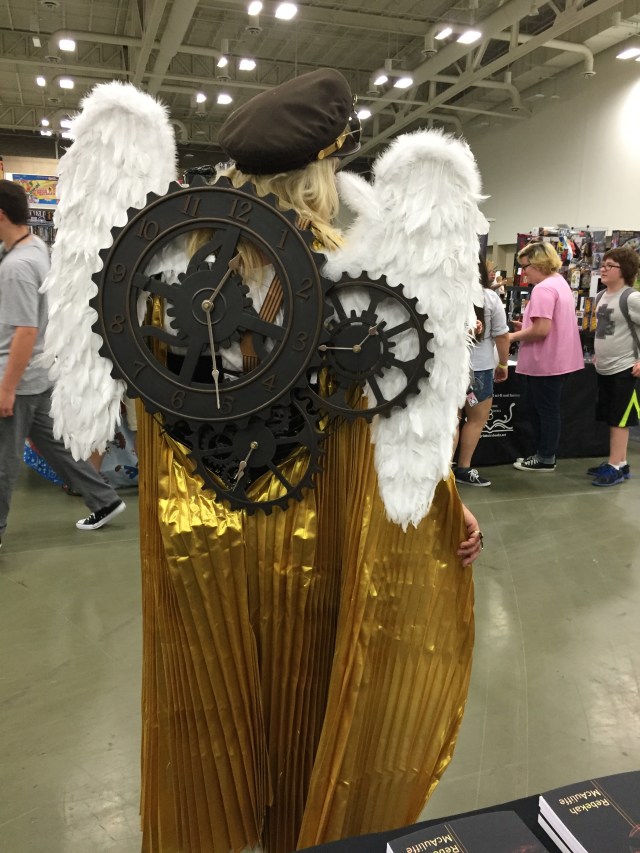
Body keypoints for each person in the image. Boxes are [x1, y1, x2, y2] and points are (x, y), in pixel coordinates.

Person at [45, 73, 487, 853]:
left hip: (194, 524)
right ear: (322, 170)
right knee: (304, 708)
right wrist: (444, 498)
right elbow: (385, 410)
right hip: (310, 527)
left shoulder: (159, 263)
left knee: (200, 710)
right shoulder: (352, 273)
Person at [0, 179, 125, 551]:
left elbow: (25, 330)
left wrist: (7, 387)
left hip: (18, 376)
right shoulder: (35, 248)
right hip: (38, 372)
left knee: (4, 459)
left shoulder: (18, 266)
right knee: (56, 447)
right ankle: (104, 500)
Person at [509, 241, 583, 472]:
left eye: (525, 267)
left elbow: (541, 330)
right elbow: (551, 324)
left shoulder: (543, 289)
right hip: (560, 360)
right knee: (548, 410)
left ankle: (545, 457)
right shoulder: (559, 283)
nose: (524, 273)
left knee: (544, 411)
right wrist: (525, 326)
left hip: (546, 362)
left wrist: (511, 337)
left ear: (538, 263)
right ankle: (543, 454)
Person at [586, 247, 640, 486]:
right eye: (603, 265)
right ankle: (620, 462)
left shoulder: (632, 298)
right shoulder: (601, 296)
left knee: (620, 420)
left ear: (624, 270)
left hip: (625, 369)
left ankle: (615, 466)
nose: (604, 269)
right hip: (605, 367)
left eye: (610, 266)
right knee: (612, 417)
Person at [455, 258, 510, 487]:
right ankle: (464, 468)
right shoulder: (490, 298)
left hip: (450, 369)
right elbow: (502, 335)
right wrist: (503, 364)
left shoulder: (448, 295)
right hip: (480, 369)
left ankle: (444, 472)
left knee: (451, 420)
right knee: (476, 420)